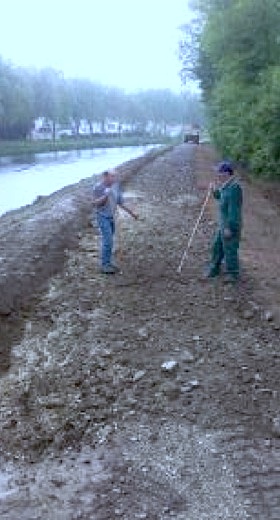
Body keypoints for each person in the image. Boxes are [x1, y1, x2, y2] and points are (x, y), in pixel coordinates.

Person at [93, 169, 138, 274]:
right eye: (112, 176)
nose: (114, 178)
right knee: (108, 240)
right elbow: (95, 203)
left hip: (112, 217)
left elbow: (120, 202)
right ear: (105, 177)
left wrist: (132, 213)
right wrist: (105, 195)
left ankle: (108, 262)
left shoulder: (116, 186)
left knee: (109, 241)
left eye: (114, 176)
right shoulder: (98, 187)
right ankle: (104, 265)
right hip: (102, 216)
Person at [206, 160, 243, 283]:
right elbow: (221, 198)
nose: (217, 174)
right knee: (217, 247)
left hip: (229, 225)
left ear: (227, 173)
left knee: (230, 249)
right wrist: (214, 191)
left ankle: (233, 274)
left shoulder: (234, 188)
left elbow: (234, 211)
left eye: (219, 172)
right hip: (223, 225)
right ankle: (214, 268)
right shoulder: (225, 185)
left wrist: (230, 228)